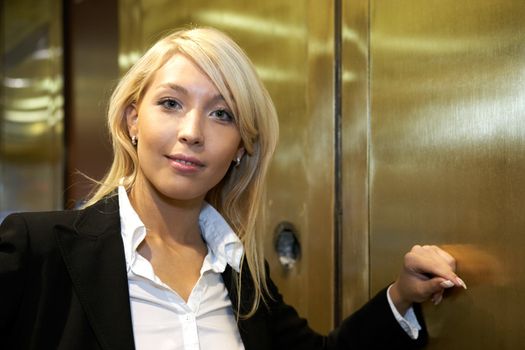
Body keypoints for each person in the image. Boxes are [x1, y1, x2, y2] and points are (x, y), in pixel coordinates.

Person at [0, 27, 466, 350]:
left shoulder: (242, 275)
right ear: (132, 118)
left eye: (222, 114)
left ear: (241, 146)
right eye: (170, 103)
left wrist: (401, 296)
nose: (192, 132)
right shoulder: (37, 250)